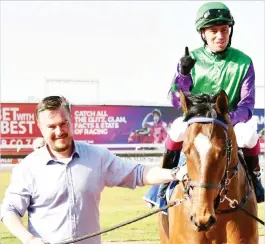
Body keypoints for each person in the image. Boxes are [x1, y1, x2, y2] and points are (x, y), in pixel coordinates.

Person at [1, 96, 179, 244]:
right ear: (40, 128)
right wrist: (29, 239)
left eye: (63, 123)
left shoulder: (97, 157)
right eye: (51, 126)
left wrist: (175, 174)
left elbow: (139, 173)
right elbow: (9, 211)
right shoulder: (28, 168)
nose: (59, 131)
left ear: (72, 121)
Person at [156, 1, 264, 203]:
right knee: (177, 130)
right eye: (214, 31)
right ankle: (163, 183)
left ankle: (254, 179)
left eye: (224, 30)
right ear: (203, 33)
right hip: (195, 121)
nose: (220, 36)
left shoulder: (244, 62)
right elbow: (175, 99)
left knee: (249, 135)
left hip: (228, 120)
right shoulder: (191, 59)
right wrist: (183, 74)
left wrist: (223, 119)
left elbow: (247, 106)